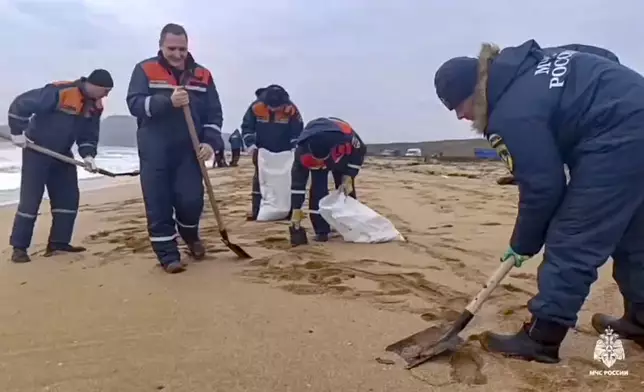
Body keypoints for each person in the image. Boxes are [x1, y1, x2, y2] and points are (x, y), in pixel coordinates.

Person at [434, 39, 644, 363]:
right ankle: (641, 320)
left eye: (459, 105)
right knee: (633, 235)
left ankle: (541, 339)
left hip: (617, 137)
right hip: (633, 113)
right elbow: (604, 55)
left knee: (573, 237)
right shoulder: (530, 62)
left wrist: (522, 244)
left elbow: (544, 188)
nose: (461, 116)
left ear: (476, 88)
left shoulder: (509, 114)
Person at [126, 23, 223, 274]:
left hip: (189, 148)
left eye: (182, 49)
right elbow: (135, 104)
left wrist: (210, 142)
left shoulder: (202, 75)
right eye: (172, 48)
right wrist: (166, 101)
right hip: (154, 146)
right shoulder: (145, 70)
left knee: (190, 200)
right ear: (161, 45)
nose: (177, 54)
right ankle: (168, 255)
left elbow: (214, 113)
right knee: (158, 202)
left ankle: (190, 236)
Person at [6, 70, 113, 263]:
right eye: (105, 91)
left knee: (68, 198)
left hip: (62, 154)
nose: (106, 96)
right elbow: (21, 104)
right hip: (37, 150)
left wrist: (88, 155)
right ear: (93, 85)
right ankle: (19, 248)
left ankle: (58, 243)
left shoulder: (95, 106)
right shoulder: (60, 92)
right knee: (30, 201)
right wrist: (17, 131)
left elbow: (89, 134)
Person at [289, 117, 366, 244]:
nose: (321, 163)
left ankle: (351, 225)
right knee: (318, 190)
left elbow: (360, 152)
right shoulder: (302, 152)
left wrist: (349, 175)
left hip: (341, 158)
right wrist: (296, 209)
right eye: (318, 161)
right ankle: (322, 231)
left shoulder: (348, 136)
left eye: (322, 160)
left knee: (345, 191)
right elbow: (298, 183)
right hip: (318, 161)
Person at [241, 84, 303, 220]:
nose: (274, 109)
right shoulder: (256, 107)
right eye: (271, 107)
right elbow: (247, 127)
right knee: (260, 179)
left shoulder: (291, 110)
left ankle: (289, 211)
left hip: (284, 151)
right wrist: (250, 145)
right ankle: (257, 210)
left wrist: (295, 148)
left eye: (277, 107)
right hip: (262, 150)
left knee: (287, 181)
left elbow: (297, 131)